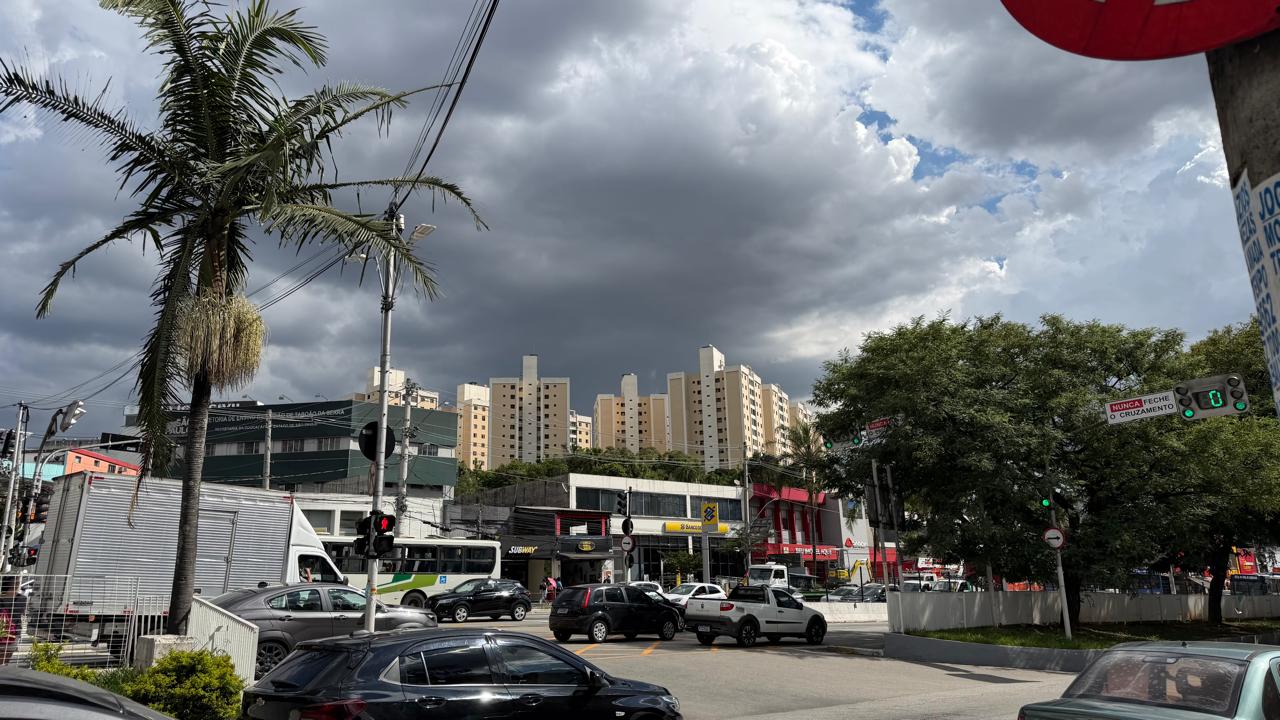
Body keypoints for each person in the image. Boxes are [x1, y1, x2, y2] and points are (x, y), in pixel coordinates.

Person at [0, 576, 26, 665]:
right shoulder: (22, 599)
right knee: (4, 663)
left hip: (4, 632)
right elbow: (19, 614)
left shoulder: (1, 597)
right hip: (13, 633)